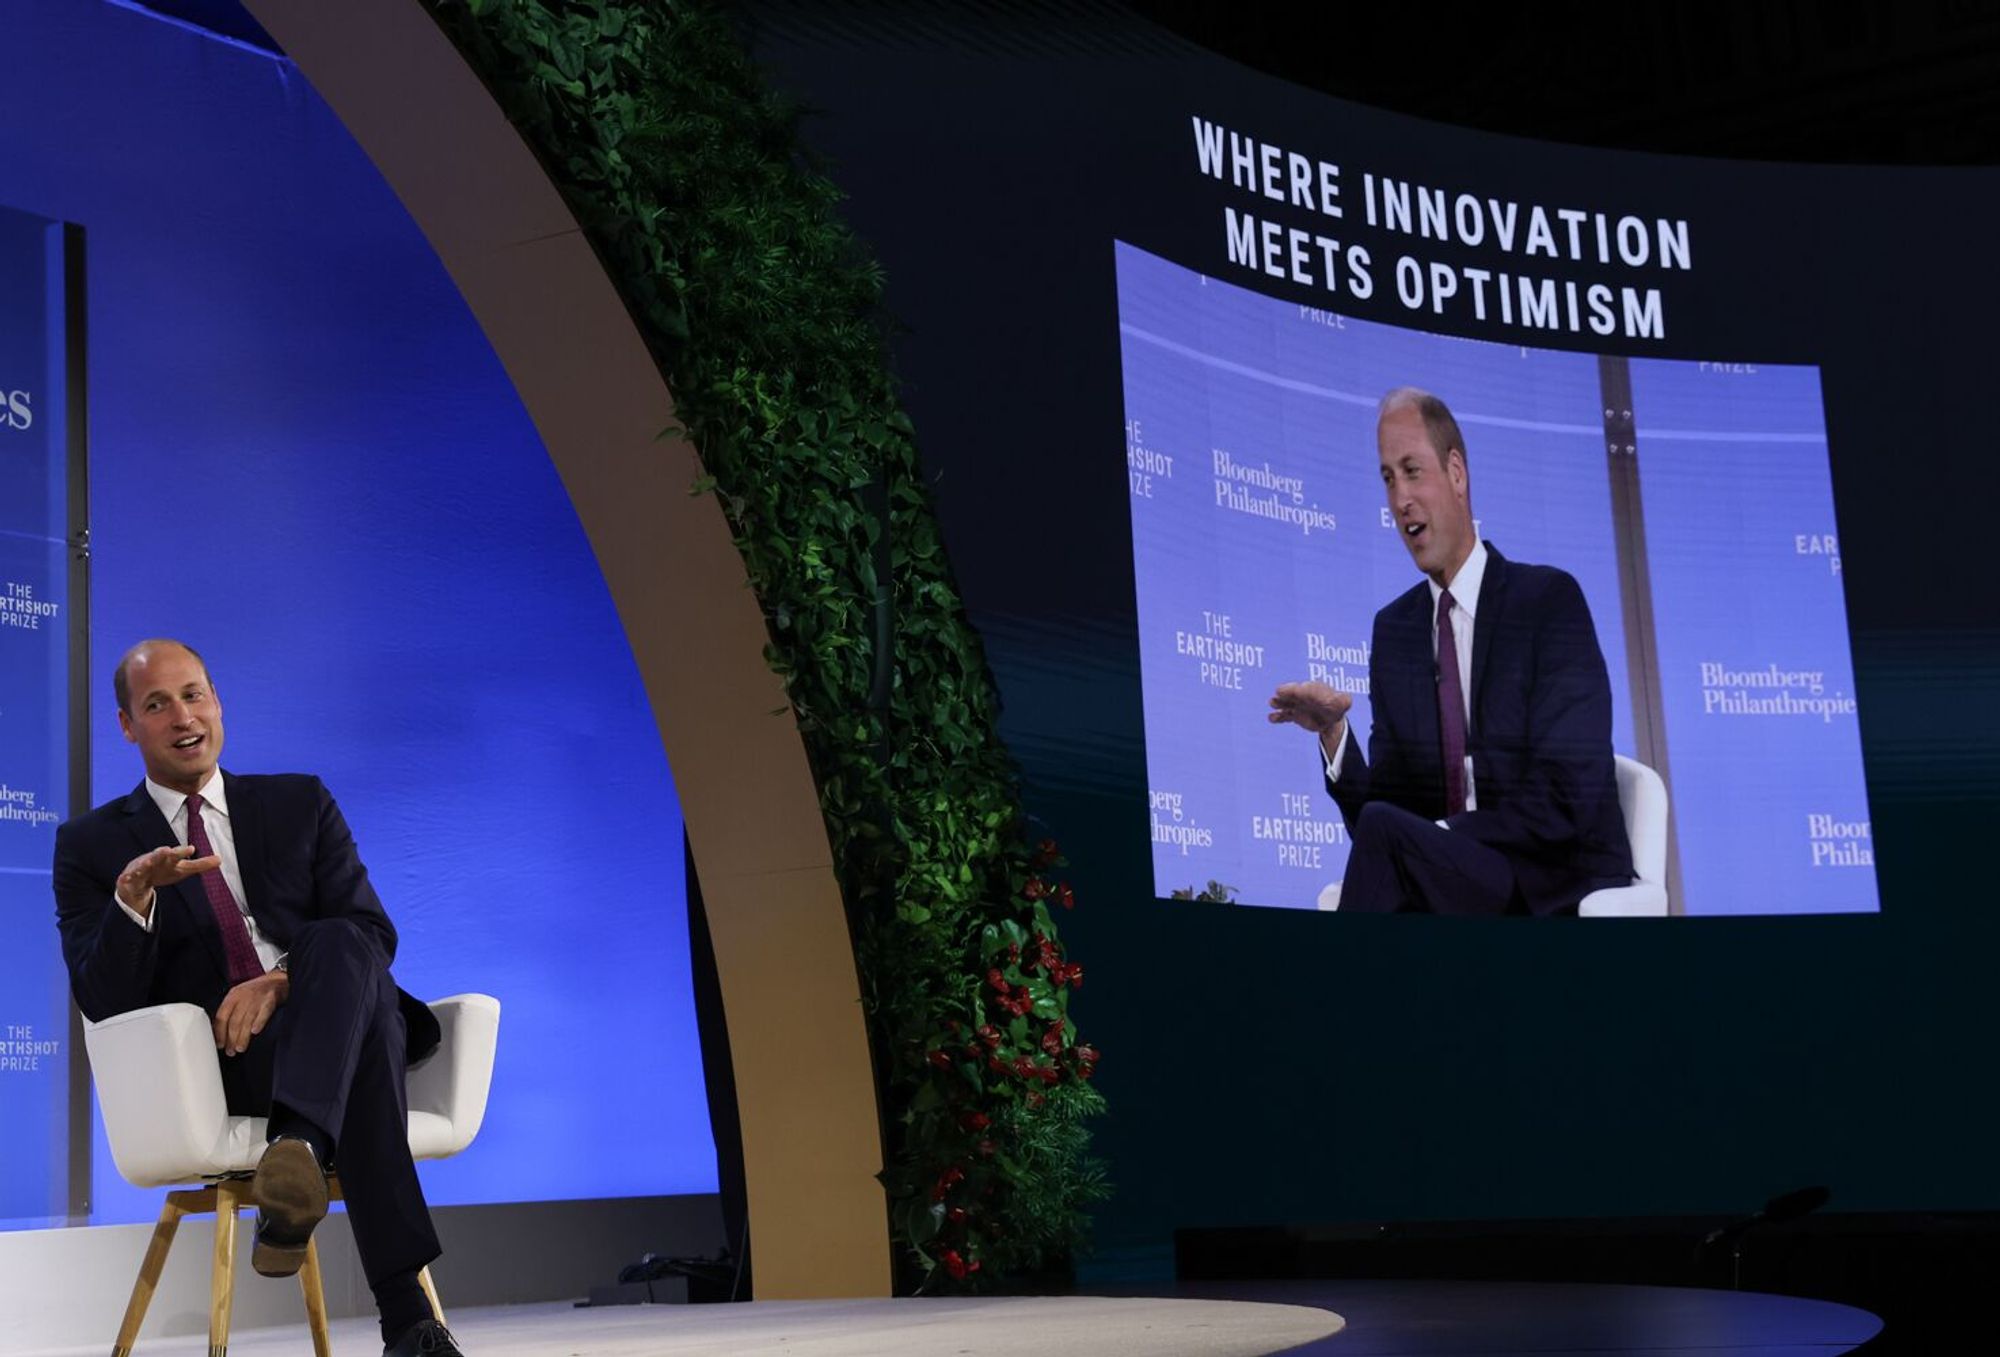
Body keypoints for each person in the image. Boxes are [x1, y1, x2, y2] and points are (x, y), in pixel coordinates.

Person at [53, 639, 463, 1357]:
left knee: (338, 940)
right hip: (229, 1060)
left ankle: (297, 1147)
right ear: (126, 724)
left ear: (218, 702)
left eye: (195, 694)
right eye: (157, 704)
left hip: (321, 1019)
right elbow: (99, 995)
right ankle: (407, 1321)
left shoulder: (299, 800)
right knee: (368, 1037)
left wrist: (280, 982)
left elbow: (373, 930)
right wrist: (133, 901)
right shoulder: (91, 846)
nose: (184, 716)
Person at [1269, 388, 1633, 915]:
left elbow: (1566, 793)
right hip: (1454, 881)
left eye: (1413, 471)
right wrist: (1334, 736)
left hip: (1549, 879)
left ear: (1456, 473)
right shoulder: (1395, 630)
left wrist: (1443, 833)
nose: (1400, 501)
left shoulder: (1548, 603)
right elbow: (1383, 814)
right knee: (1384, 834)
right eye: (1389, 479)